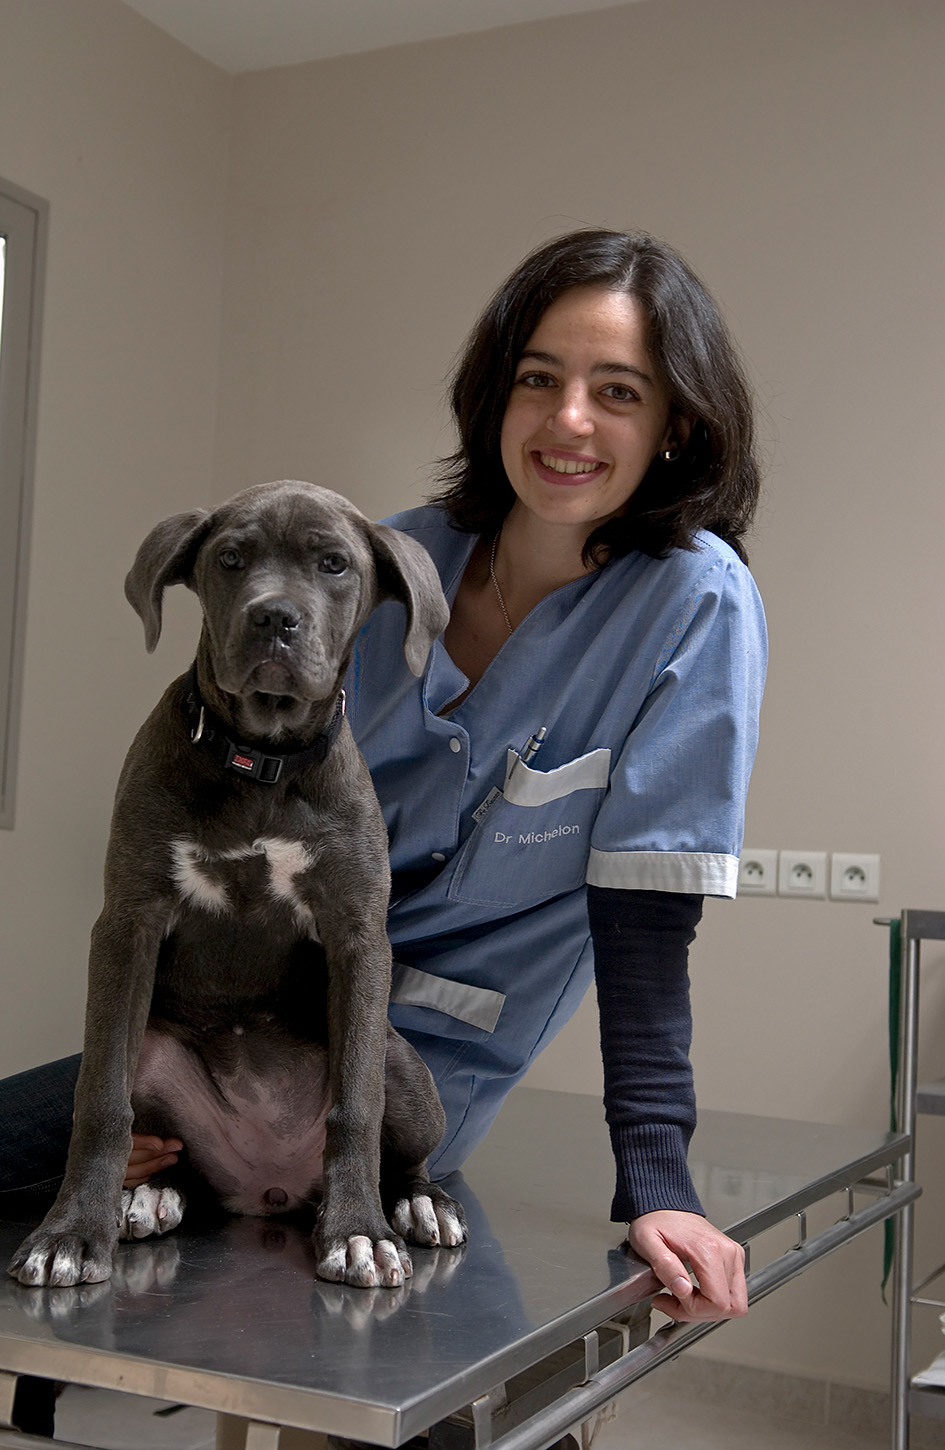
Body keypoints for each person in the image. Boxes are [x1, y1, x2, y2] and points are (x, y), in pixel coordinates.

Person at [2, 228, 765, 1332]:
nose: (567, 421)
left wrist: (660, 1183)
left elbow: (646, 922)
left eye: (618, 391)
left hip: (413, 1079)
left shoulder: (695, 606)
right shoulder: (373, 560)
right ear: (494, 395)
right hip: (219, 1032)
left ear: (675, 424)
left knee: (384, 1358)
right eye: (538, 379)